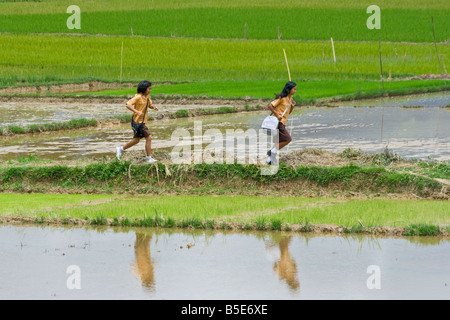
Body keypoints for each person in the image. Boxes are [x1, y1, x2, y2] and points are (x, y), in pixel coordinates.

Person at [116, 80, 159, 163]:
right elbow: (128, 104)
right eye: (149, 88)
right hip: (137, 122)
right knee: (149, 137)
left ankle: (120, 149)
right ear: (144, 89)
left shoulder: (147, 96)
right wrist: (136, 111)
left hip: (142, 121)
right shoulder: (138, 96)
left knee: (136, 140)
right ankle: (148, 158)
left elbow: (149, 105)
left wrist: (153, 107)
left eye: (150, 88)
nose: (150, 90)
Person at [266, 81, 296, 165]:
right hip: (278, 122)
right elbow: (270, 106)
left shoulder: (289, 100)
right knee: (287, 139)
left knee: (278, 142)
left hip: (282, 122)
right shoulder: (281, 98)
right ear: (289, 89)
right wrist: (277, 114)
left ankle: (269, 160)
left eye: (295, 89)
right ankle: (271, 152)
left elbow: (288, 113)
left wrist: (292, 106)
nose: (295, 91)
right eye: (294, 89)